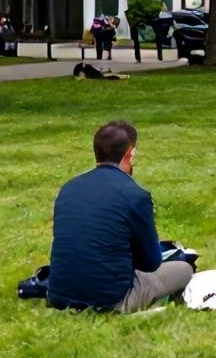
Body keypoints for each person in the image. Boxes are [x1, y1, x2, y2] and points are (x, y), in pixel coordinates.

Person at [46, 121, 194, 313]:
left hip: (58, 295)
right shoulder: (135, 195)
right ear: (129, 154)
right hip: (109, 299)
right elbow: (151, 263)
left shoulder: (69, 188)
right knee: (183, 269)